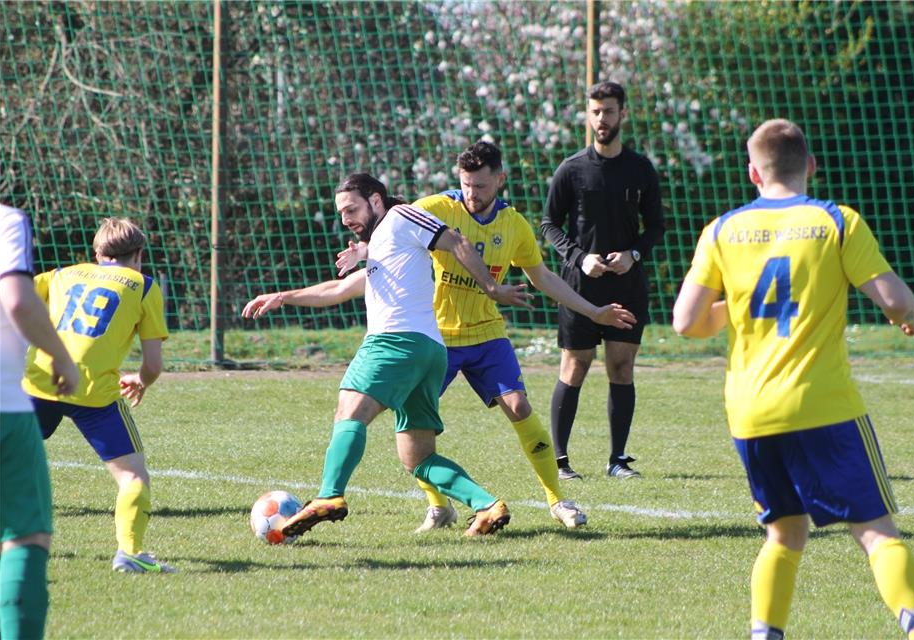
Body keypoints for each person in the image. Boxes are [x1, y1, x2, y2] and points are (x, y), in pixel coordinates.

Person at [672, 119, 914, 640]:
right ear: (811, 165)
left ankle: (765, 634)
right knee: (877, 533)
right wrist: (908, 317)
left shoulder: (723, 229)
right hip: (824, 405)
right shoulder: (837, 221)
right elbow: (895, 299)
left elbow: (685, 322)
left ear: (752, 171)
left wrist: (736, 306)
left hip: (751, 411)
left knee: (784, 534)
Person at [335, 142, 636, 532]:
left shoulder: (514, 226)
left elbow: (542, 278)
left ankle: (558, 500)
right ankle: (439, 507)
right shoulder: (439, 208)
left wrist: (595, 312)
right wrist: (363, 248)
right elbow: (391, 225)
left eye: (480, 185)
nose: (472, 194)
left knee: (519, 407)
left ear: (500, 179)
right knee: (413, 428)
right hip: (436, 338)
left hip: (487, 335)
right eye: (465, 185)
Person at [243, 173, 534, 538]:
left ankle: (329, 495)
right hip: (428, 352)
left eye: (352, 209)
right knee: (418, 457)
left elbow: (456, 240)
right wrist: (284, 296)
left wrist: (491, 287)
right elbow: (340, 287)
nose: (346, 219)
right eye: (341, 213)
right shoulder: (385, 243)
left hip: (394, 342)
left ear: (376, 200)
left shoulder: (402, 217)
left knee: (349, 410)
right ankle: (487, 505)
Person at [22, 217, 175, 574]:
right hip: (94, 393)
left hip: (41, 381)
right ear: (138, 254)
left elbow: (13, 296)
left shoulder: (62, 275)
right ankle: (131, 553)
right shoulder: (143, 286)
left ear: (96, 253)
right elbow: (153, 364)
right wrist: (140, 379)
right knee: (133, 478)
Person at [540, 80, 665, 480]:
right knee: (575, 364)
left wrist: (634, 254)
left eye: (608, 111)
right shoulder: (571, 169)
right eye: (595, 111)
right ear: (588, 114)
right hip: (580, 285)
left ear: (622, 114)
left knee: (621, 366)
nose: (601, 119)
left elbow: (657, 227)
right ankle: (560, 462)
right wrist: (579, 258)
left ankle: (618, 460)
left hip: (626, 284)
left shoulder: (640, 168)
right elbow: (548, 225)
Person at [0, 204, 79, 639]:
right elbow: (17, 299)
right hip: (5, 405)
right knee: (24, 536)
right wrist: (59, 354)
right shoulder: (6, 221)